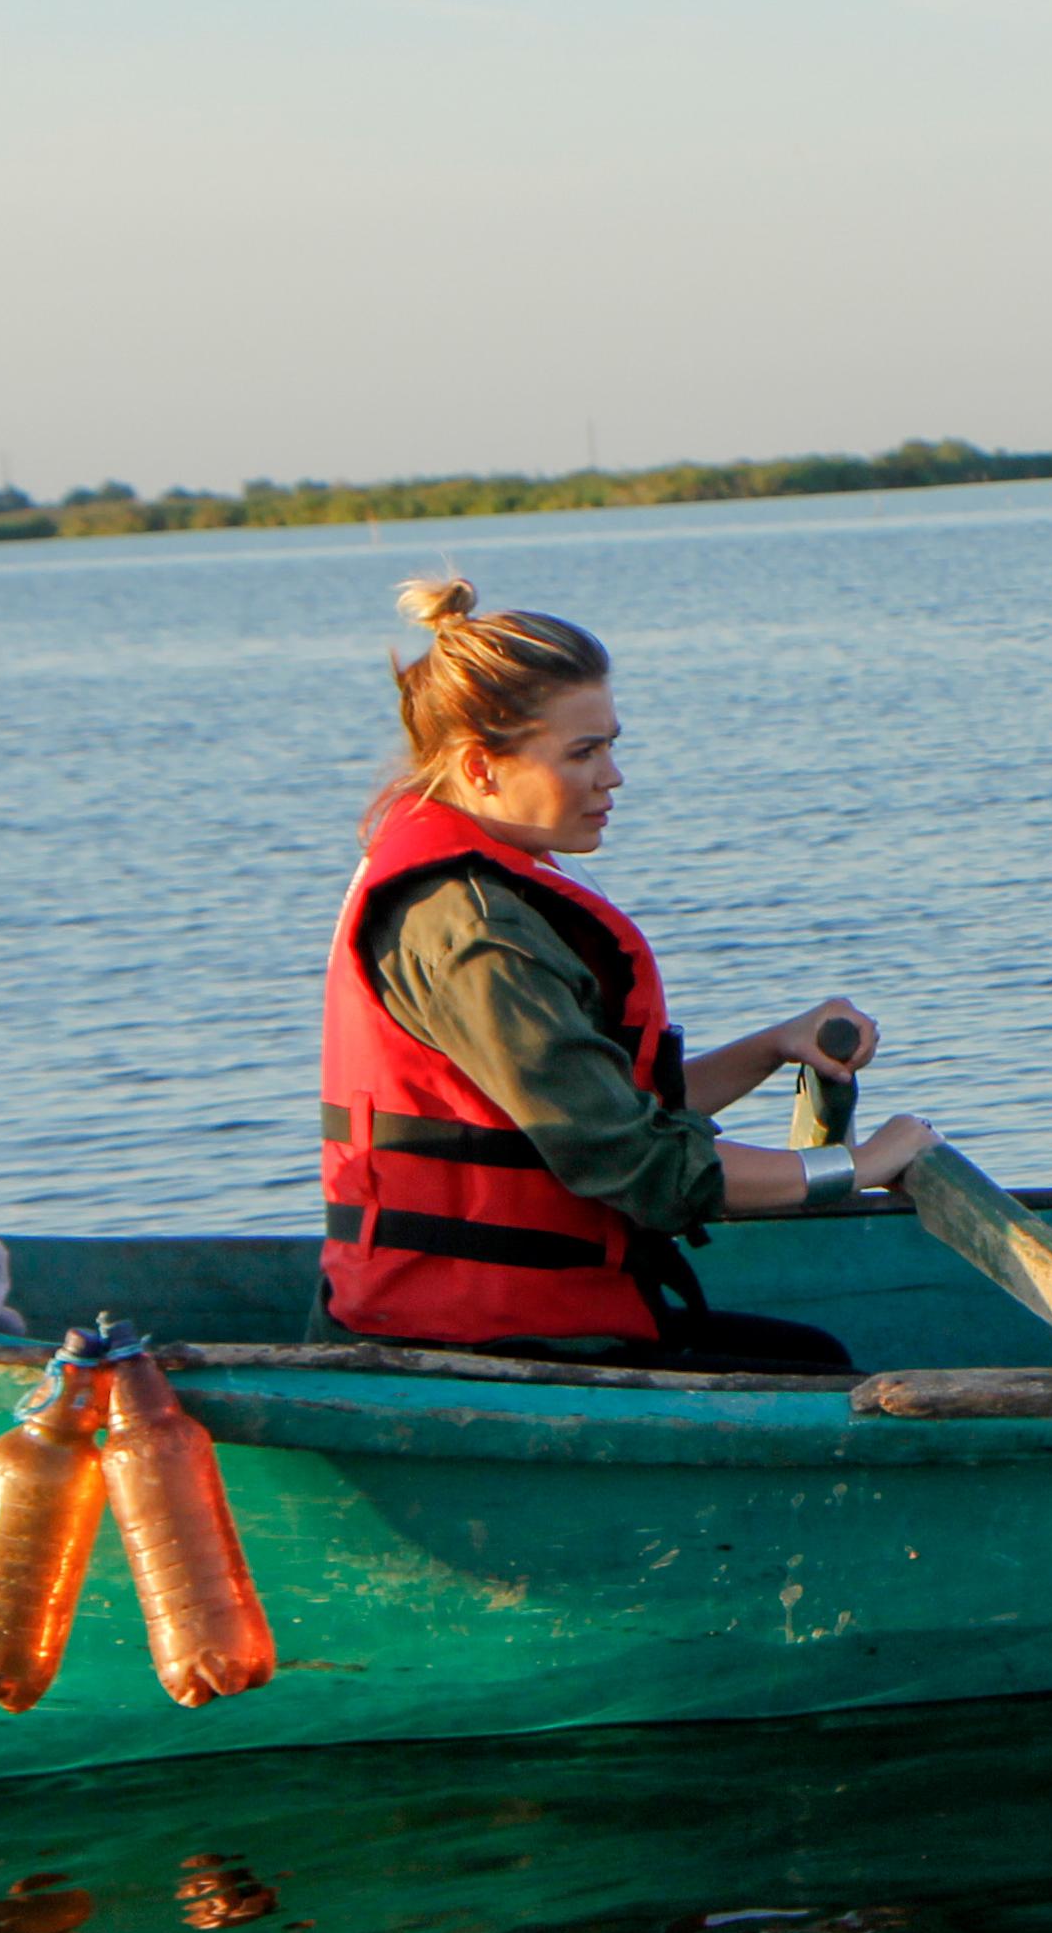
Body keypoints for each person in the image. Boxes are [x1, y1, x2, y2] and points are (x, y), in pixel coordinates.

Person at [320, 578, 937, 1369]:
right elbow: (640, 1167)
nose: (613, 777)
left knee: (803, 1352)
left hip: (509, 1321)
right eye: (583, 753)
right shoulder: (473, 931)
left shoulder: (478, 888)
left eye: (612, 744)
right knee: (813, 1367)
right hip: (476, 1341)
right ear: (480, 769)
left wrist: (775, 1045)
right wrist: (859, 1166)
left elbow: (617, 1112)